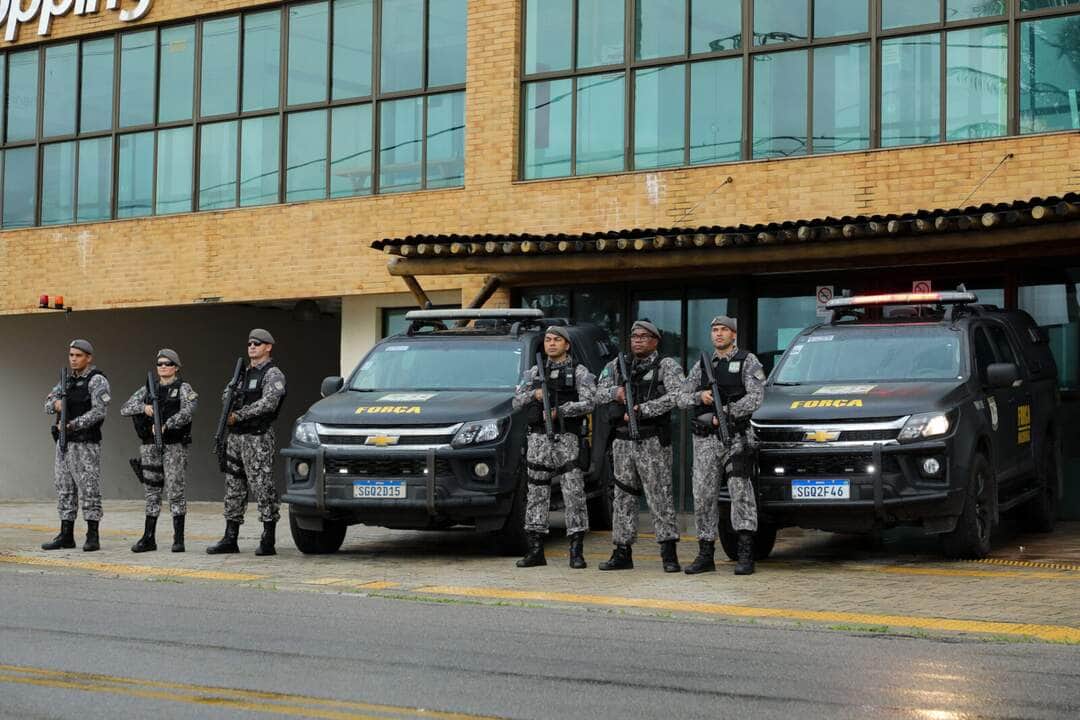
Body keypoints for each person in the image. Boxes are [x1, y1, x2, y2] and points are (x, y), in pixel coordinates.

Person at [678, 316, 766, 575]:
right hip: (705, 440)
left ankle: (745, 552)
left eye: (723, 330)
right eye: (714, 330)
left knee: (741, 493)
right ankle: (706, 554)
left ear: (733, 334)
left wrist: (726, 411)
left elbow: (757, 397)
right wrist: (700, 396)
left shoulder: (748, 361)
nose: (718, 334)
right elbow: (681, 397)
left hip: (736, 437)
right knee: (703, 496)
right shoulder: (703, 365)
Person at [595, 320, 685, 572]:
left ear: (655, 341)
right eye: (634, 336)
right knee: (622, 497)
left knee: (660, 495)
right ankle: (622, 551)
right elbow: (596, 392)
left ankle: (669, 553)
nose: (637, 340)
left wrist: (643, 409)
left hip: (652, 440)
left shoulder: (667, 366)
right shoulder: (616, 365)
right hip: (622, 441)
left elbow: (677, 396)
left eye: (644, 336)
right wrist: (617, 393)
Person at [512, 327, 596, 569]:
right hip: (538, 440)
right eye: (548, 340)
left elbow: (591, 401)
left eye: (557, 340)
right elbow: (516, 400)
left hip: (566, 439)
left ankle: (576, 551)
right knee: (536, 494)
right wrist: (535, 394)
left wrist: (563, 410)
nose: (551, 344)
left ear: (567, 345)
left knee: (574, 494)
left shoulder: (579, 372)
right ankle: (536, 550)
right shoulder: (534, 372)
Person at [207, 329, 287, 556]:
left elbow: (269, 403)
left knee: (262, 485)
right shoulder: (241, 374)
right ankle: (230, 537)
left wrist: (239, 414)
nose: (252, 346)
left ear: (268, 347)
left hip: (257, 437)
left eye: (258, 343)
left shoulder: (273, 374)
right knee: (233, 487)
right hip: (236, 437)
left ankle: (268, 537)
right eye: (250, 343)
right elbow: (225, 397)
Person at [120, 349, 198, 553]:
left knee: (175, 491)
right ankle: (148, 538)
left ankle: (178, 539)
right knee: (152, 492)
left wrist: (167, 424)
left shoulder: (183, 388)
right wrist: (143, 408)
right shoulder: (148, 389)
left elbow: (189, 411)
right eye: (160, 364)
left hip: (173, 446)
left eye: (168, 363)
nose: (163, 367)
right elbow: (125, 408)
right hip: (149, 446)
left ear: (176, 367)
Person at [42, 339, 111, 552]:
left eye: (78, 355)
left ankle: (92, 535)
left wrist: (73, 424)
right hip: (64, 444)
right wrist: (56, 404)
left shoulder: (96, 380)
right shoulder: (66, 381)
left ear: (88, 357)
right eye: (71, 355)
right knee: (64, 487)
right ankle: (66, 534)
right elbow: (46, 405)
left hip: (85, 443)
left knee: (89, 488)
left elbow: (100, 410)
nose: (73, 359)